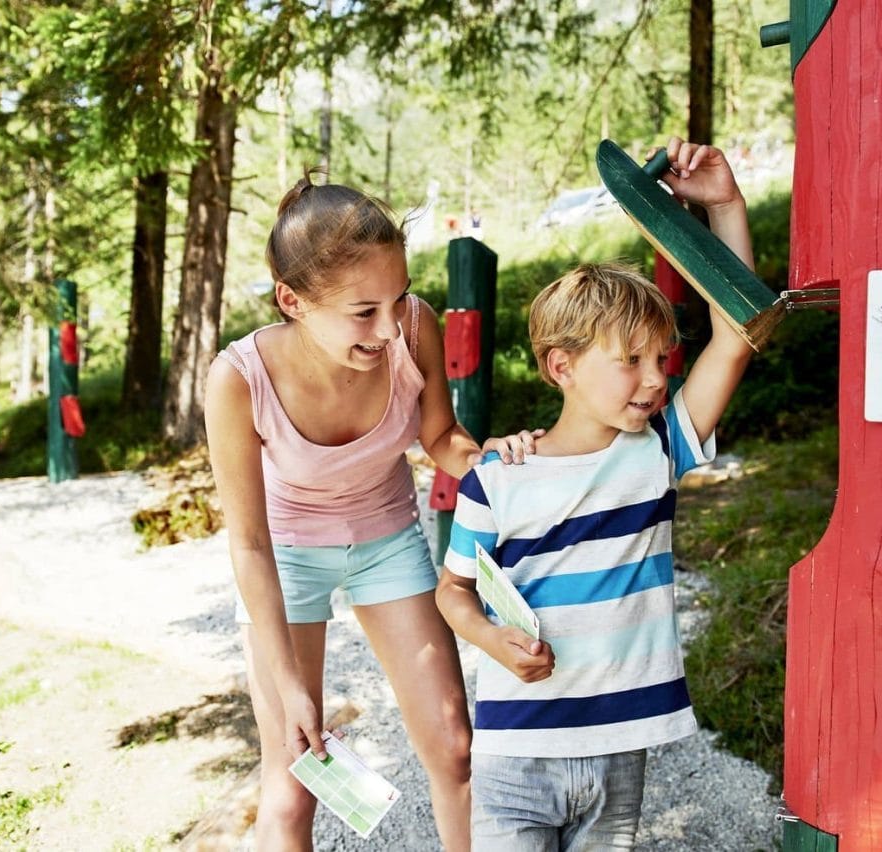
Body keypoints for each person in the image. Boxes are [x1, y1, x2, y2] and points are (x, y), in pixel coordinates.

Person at [435, 137, 756, 851]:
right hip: (513, 755)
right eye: (631, 361)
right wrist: (492, 638)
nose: (655, 379)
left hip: (619, 753)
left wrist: (725, 207)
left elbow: (736, 337)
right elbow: (452, 593)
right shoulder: (498, 478)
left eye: (662, 360)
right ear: (562, 367)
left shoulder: (656, 452)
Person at [203, 173, 539, 852]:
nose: (390, 327)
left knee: (454, 748)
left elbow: (442, 440)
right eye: (363, 312)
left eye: (398, 298)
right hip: (287, 554)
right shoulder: (238, 380)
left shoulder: (413, 326)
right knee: (292, 784)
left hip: (386, 537)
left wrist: (493, 460)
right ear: (292, 300)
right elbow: (249, 546)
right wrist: (292, 687)